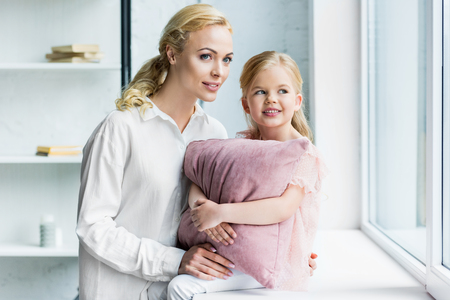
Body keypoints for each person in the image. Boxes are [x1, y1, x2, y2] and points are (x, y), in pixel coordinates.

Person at [76, 4, 236, 300]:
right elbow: (92, 226)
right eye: (206, 56)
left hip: (181, 293)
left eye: (226, 59)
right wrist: (173, 262)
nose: (219, 71)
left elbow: (219, 221)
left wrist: (288, 251)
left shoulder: (215, 134)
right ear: (172, 54)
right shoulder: (121, 127)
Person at [167, 51, 328, 299]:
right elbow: (203, 179)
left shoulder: (304, 154)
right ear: (246, 104)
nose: (271, 99)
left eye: (282, 91)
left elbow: (283, 208)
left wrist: (220, 213)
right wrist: (201, 207)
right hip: (236, 252)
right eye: (260, 92)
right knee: (180, 281)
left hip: (271, 266)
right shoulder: (245, 143)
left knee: (182, 287)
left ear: (297, 101)